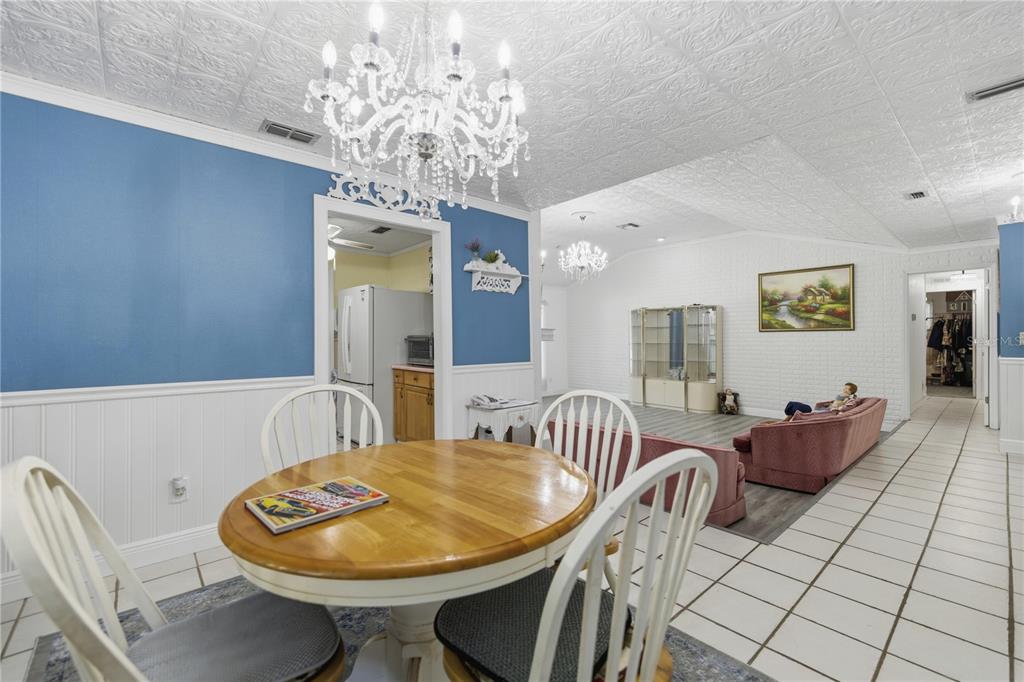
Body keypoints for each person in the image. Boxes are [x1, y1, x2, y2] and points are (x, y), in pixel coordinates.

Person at [785, 382, 858, 418]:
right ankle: (790, 413)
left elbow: (841, 405)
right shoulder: (845, 396)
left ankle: (790, 414)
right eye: (844, 387)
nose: (844, 389)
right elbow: (836, 403)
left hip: (826, 411)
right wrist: (830, 404)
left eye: (846, 388)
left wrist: (834, 405)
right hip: (826, 408)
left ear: (851, 391)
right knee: (798, 406)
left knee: (805, 409)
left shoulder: (848, 398)